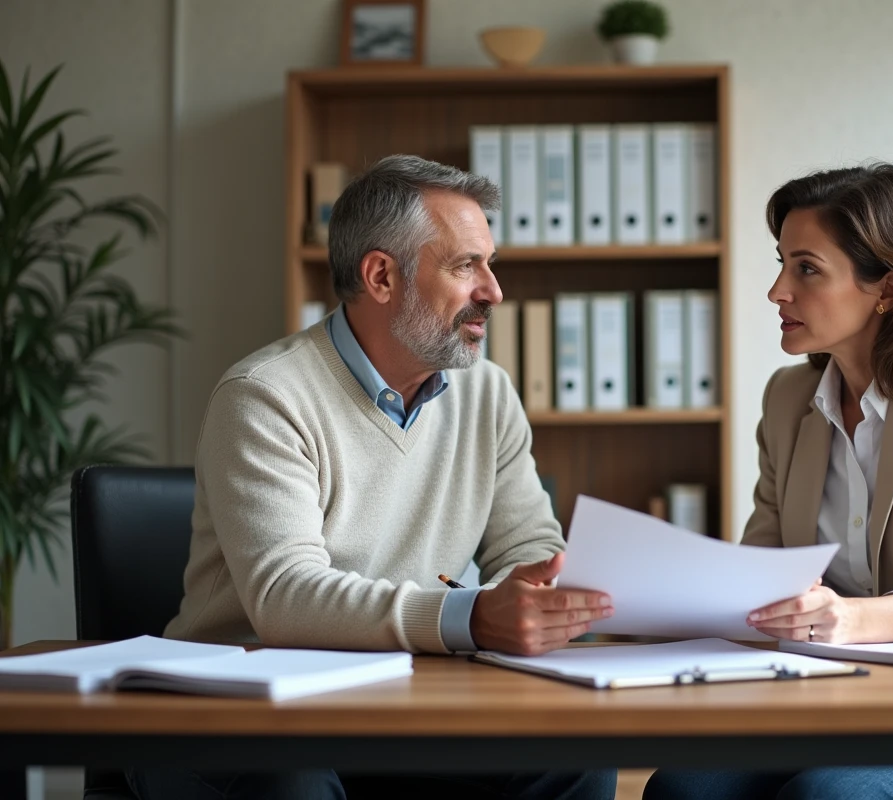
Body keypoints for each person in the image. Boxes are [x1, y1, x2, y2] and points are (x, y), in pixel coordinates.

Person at [127, 155, 618, 800]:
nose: (494, 291)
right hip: (237, 713)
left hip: (404, 705)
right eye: (465, 265)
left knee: (578, 758)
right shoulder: (265, 396)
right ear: (381, 276)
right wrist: (470, 616)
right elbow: (284, 597)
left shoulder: (488, 395)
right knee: (295, 782)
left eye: (489, 264)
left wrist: (538, 593)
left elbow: (527, 550)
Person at [644, 164, 893, 800]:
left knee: (832, 797)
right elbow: (767, 567)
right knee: (684, 787)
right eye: (781, 263)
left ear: (886, 287)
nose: (778, 290)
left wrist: (841, 619)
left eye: (806, 268)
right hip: (832, 705)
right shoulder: (789, 399)